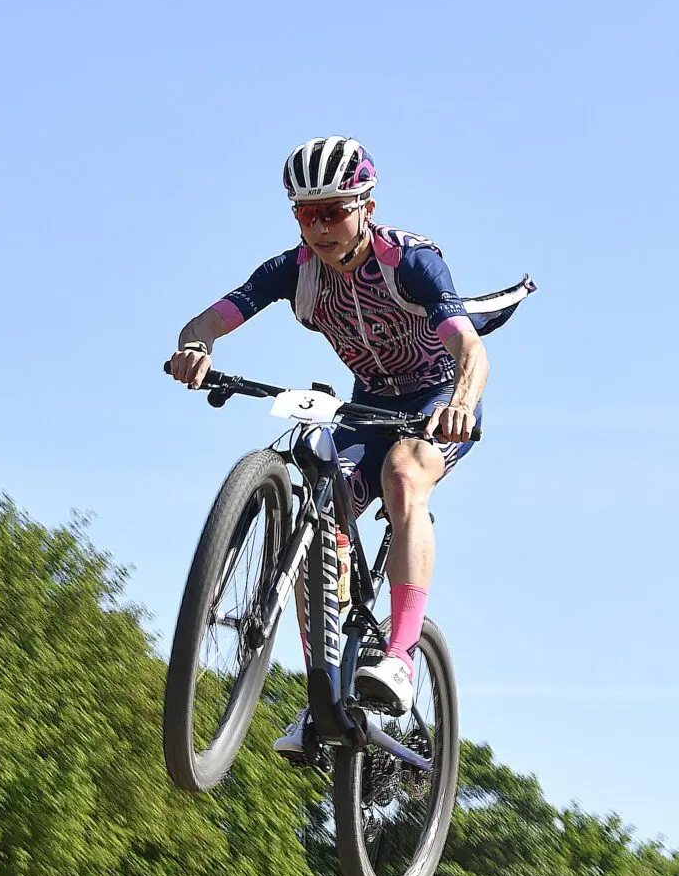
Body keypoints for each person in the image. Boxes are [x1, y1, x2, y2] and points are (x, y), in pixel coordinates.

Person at [167, 136, 530, 752]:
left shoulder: (409, 263)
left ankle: (401, 658)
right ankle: (326, 693)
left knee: (403, 476)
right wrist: (196, 348)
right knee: (318, 513)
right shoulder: (293, 271)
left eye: (333, 212)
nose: (320, 228)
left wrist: (460, 405)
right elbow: (205, 322)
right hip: (367, 409)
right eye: (306, 214)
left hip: (436, 401)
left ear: (366, 206)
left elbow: (471, 349)